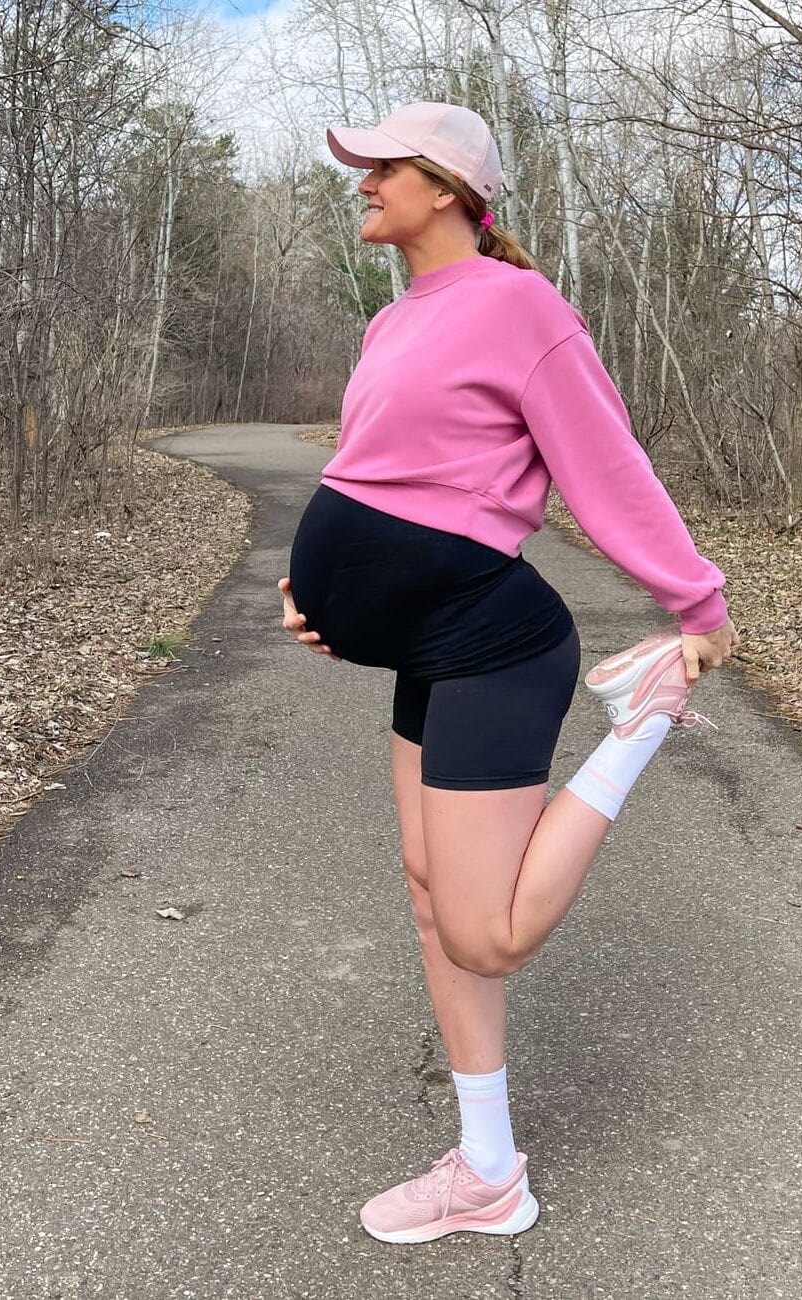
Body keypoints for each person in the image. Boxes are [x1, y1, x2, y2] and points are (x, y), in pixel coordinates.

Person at [278, 101, 739, 1245]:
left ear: (445, 186)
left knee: (487, 933)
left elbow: (605, 463)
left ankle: (639, 723)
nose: (362, 182)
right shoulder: (396, 323)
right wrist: (320, 595)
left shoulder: (518, 306)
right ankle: (486, 1169)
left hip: (494, 642)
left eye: (381, 166)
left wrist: (697, 602)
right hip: (425, 644)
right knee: (432, 897)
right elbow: (377, 476)